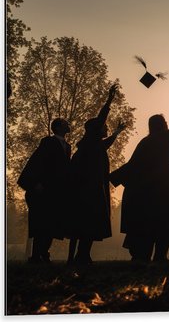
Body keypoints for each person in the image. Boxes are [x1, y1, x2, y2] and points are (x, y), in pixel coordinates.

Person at [110, 104, 169, 262]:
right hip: (164, 189)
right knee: (163, 225)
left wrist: (116, 177)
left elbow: (133, 164)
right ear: (164, 125)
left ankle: (142, 256)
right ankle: (159, 257)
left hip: (145, 191)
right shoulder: (168, 137)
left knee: (145, 227)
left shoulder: (145, 142)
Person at [68, 84, 125, 264]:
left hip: (92, 188)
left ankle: (82, 255)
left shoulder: (94, 145)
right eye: (104, 127)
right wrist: (109, 99)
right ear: (96, 129)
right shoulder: (91, 142)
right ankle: (78, 256)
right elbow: (101, 119)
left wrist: (117, 132)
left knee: (88, 225)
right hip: (89, 190)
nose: (106, 129)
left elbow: (108, 142)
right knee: (84, 224)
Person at [17, 118, 72, 263]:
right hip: (44, 190)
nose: (69, 125)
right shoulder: (48, 142)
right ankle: (36, 256)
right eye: (66, 124)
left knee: (53, 224)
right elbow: (38, 162)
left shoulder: (67, 146)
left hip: (57, 192)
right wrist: (35, 183)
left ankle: (43, 253)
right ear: (59, 128)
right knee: (41, 223)